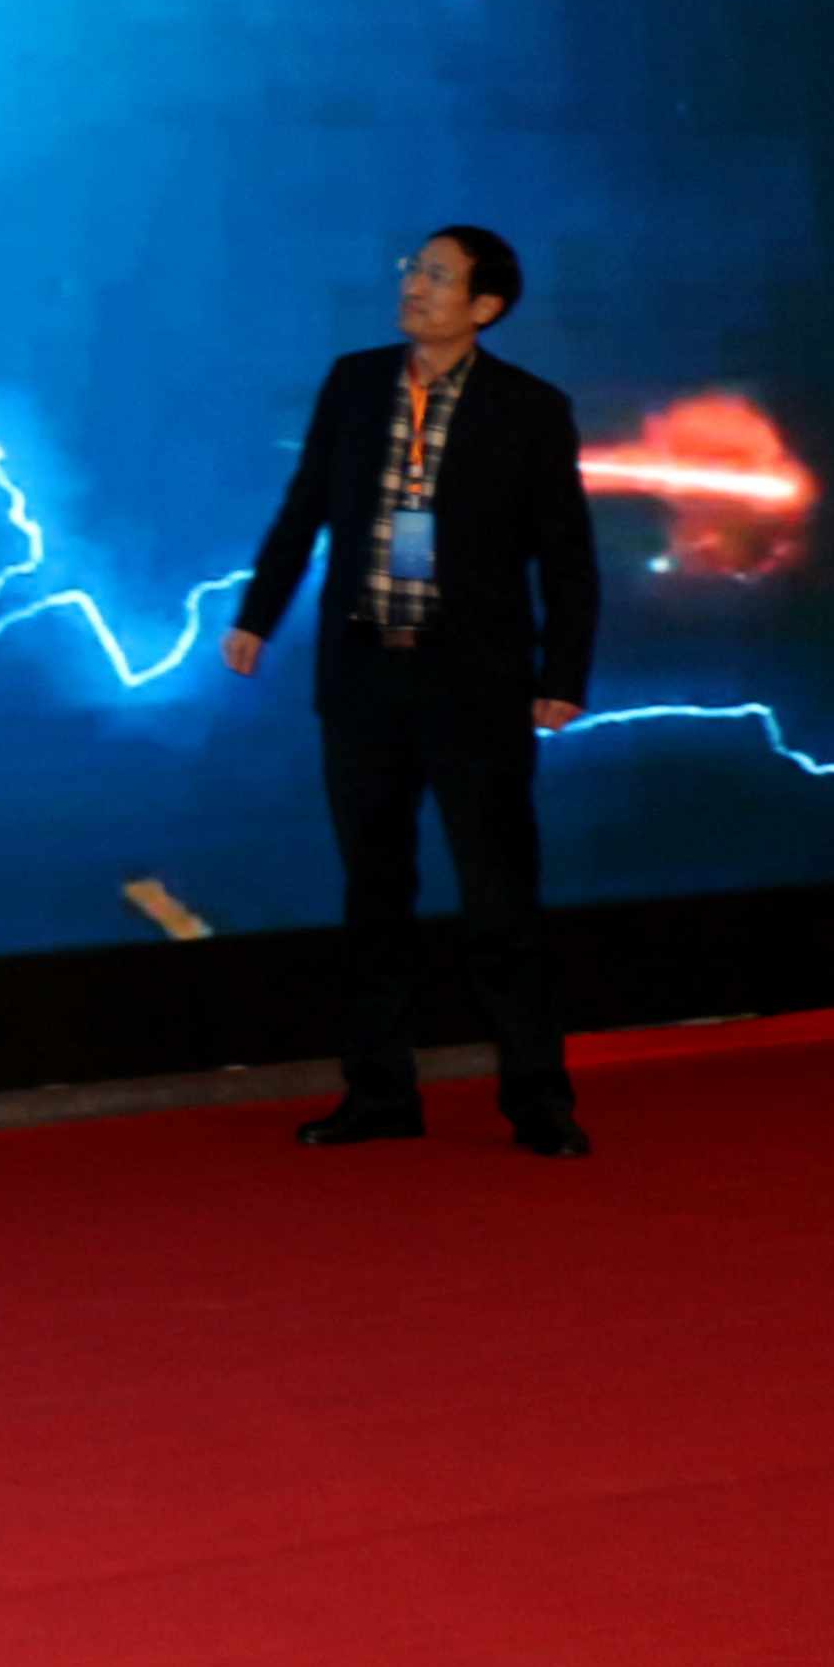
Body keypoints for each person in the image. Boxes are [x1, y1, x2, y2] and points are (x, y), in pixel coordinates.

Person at [222, 226, 599, 1156]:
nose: (414, 286)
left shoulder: (530, 408)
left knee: (500, 895)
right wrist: (257, 615)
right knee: (374, 893)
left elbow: (567, 554)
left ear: (485, 306)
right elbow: (304, 507)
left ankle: (538, 1100)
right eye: (413, 270)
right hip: (365, 675)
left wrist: (563, 675)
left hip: (474, 683)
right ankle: (380, 1093)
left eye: (437, 276)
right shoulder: (355, 382)